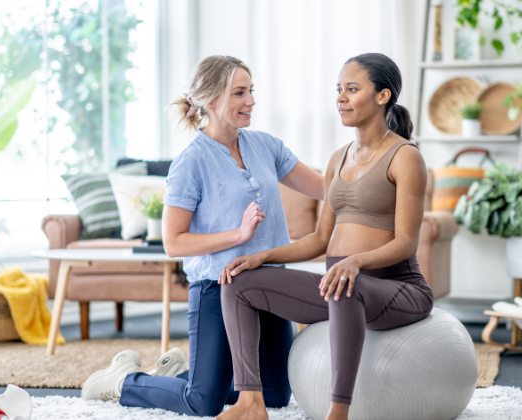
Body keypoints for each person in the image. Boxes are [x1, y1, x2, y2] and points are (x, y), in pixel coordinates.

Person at [80, 55, 325, 417]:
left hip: (270, 283)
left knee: (273, 396)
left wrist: (376, 173)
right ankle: (125, 381)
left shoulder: (266, 146)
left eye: (251, 91)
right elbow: (174, 242)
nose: (251, 101)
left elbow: (324, 188)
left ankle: (182, 374)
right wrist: (237, 234)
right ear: (211, 101)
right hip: (218, 287)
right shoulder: (190, 162)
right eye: (239, 92)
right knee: (202, 402)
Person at [217, 53, 433, 420]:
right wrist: (261, 257)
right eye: (339, 90)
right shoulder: (339, 158)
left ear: (382, 96)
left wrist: (356, 262)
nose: (341, 98)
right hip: (343, 288)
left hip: (398, 289)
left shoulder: (405, 156)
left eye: (352, 89)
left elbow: (406, 243)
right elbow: (320, 239)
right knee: (238, 283)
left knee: (344, 285)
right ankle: (250, 402)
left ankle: (338, 412)